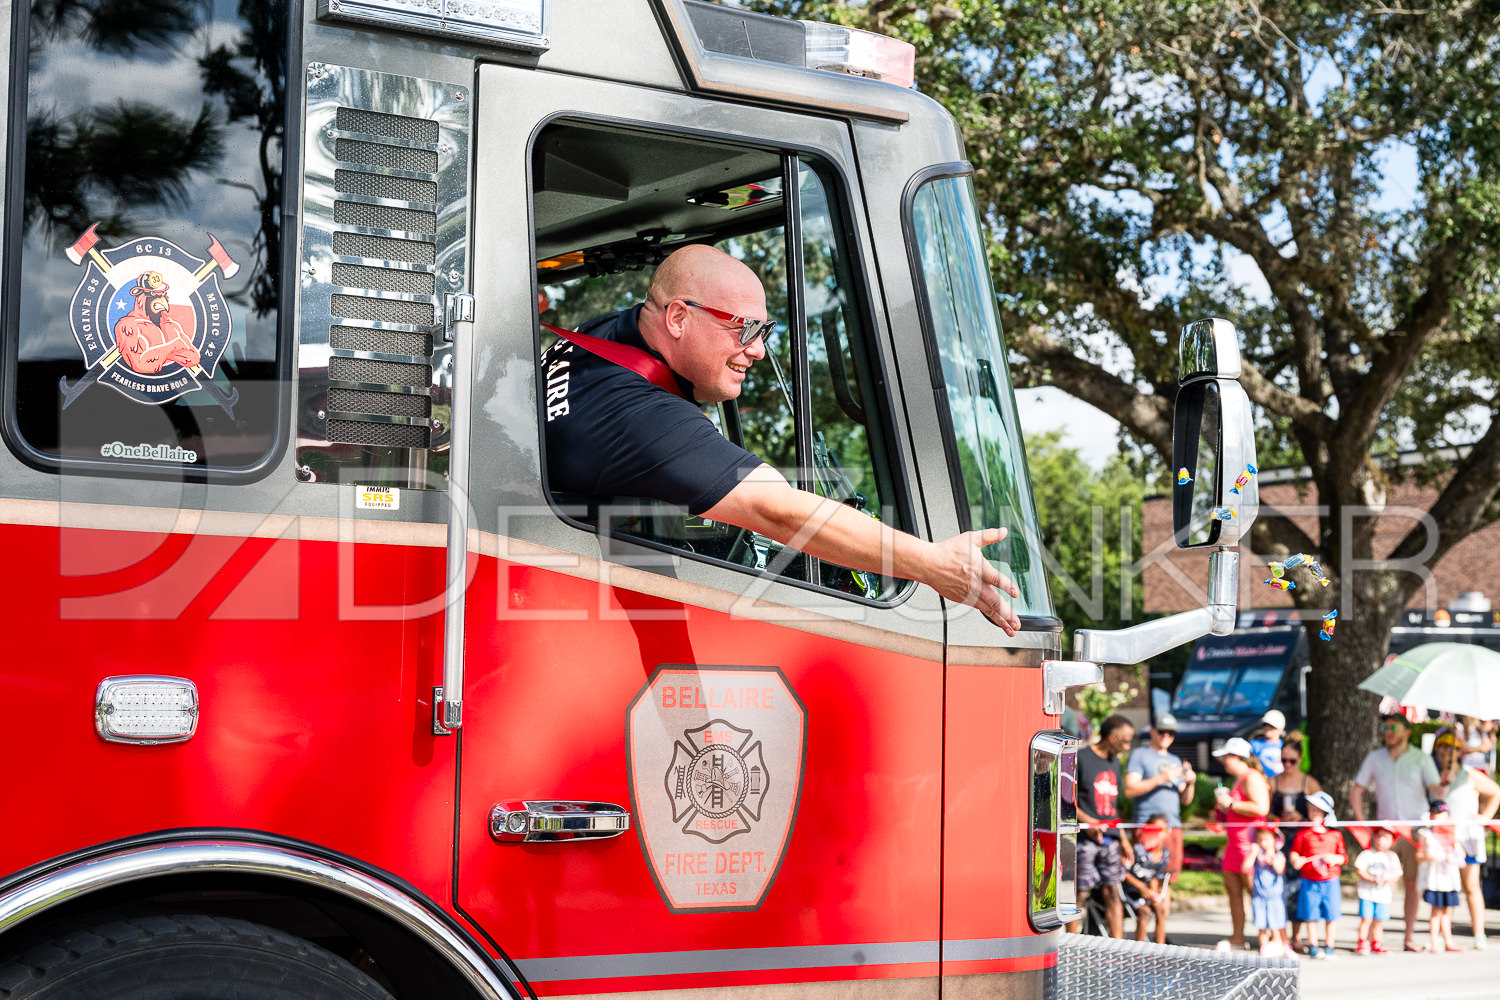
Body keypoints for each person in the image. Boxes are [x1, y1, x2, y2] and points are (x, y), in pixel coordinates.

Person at [540, 244, 1022, 631]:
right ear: (679, 318)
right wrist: (931, 564)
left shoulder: (606, 336)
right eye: (744, 328)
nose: (756, 350)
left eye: (764, 330)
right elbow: (779, 511)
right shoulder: (640, 418)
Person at [1350, 713, 1446, 951]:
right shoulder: (1375, 757)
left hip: (1414, 830)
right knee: (1379, 881)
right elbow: (1356, 789)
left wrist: (1444, 782)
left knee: (1412, 884)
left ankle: (1408, 936)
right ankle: (1370, 939)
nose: (1388, 732)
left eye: (1393, 727)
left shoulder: (1421, 758)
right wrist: (1363, 822)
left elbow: (1437, 792)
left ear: (1406, 731)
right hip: (1387, 831)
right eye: (1385, 728)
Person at [1066, 714, 1136, 938]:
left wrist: (1123, 839)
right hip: (1084, 840)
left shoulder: (1114, 763)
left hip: (1110, 839)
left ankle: (1118, 947)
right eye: (1126, 741)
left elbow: (1113, 807)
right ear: (1113, 738)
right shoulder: (1081, 758)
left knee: (1113, 892)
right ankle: (1072, 944)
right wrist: (1090, 822)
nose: (1127, 747)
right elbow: (1066, 800)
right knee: (1079, 893)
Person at [1432, 729, 1500, 949]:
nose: (1445, 752)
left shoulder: (1469, 774)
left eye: (1450, 747)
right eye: (1441, 747)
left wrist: (1485, 817)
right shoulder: (1435, 775)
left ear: (1459, 751)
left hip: (1468, 837)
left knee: (1471, 886)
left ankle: (1479, 934)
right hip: (1445, 840)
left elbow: (1496, 792)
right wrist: (1443, 783)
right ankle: (1443, 934)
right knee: (1447, 888)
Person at [1124, 713, 1197, 891]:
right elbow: (1129, 790)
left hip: (1172, 826)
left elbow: (1186, 800)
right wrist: (1160, 778)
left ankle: (1163, 910)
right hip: (1148, 826)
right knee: (1145, 880)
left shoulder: (1175, 760)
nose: (1166, 736)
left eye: (1171, 733)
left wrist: (1190, 783)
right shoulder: (1140, 754)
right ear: (1152, 731)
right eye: (1162, 731)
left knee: (1167, 881)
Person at [1211, 737, 1271, 950]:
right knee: (1233, 891)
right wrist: (1223, 810)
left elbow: (1261, 808)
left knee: (1257, 892)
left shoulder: (1252, 776)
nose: (1223, 762)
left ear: (1237, 757)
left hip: (1250, 845)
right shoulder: (1238, 779)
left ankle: (1270, 938)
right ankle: (1238, 937)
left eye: (1226, 757)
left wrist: (1231, 804)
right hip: (1234, 845)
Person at [1270, 731, 1322, 953]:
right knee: (1277, 886)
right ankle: (1278, 933)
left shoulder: (1308, 782)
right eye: (1283, 760)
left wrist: (1302, 818)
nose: (1287, 765)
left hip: (1301, 840)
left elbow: (1322, 811)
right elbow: (1264, 811)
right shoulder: (1273, 781)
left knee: (1299, 887)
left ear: (1299, 759)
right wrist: (1278, 818)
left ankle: (1297, 935)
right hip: (1280, 840)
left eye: (1291, 761)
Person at [1289, 790, 1347, 959]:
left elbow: (1343, 857)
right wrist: (1296, 860)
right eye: (1311, 809)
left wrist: (1334, 858)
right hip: (1310, 881)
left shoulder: (1335, 835)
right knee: (1310, 915)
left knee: (1332, 914)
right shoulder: (1304, 833)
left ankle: (1330, 945)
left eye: (1317, 810)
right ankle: (1313, 945)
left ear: (1325, 813)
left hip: (1330, 880)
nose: (1313, 813)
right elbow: (1295, 853)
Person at [1416, 800, 1465, 953]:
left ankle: (1448, 941)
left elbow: (1461, 854)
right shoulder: (1426, 834)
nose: (1437, 817)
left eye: (1441, 814)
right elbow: (1419, 855)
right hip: (1435, 879)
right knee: (1436, 911)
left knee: (1447, 911)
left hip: (1449, 879)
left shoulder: (1452, 834)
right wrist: (1431, 857)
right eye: (1434, 813)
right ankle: (1434, 942)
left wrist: (1455, 853)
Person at [1121, 815, 1172, 943]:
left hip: (1148, 891)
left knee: (1160, 909)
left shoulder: (1165, 854)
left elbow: (1156, 877)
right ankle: (1140, 949)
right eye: (1154, 830)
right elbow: (1124, 873)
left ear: (1167, 833)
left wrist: (1153, 893)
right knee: (1145, 912)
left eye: (1161, 830)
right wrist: (1142, 887)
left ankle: (1160, 946)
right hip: (1131, 891)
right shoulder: (1138, 850)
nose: (1158, 834)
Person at [1353, 826, 1401, 955]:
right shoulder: (1367, 854)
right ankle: (1362, 942)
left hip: (1383, 895)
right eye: (1378, 836)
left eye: (1385, 837)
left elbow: (1397, 874)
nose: (1381, 840)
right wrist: (1371, 879)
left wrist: (1388, 879)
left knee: (1379, 921)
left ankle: (1376, 943)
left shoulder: (1392, 857)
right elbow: (1359, 869)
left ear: (1392, 841)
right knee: (1366, 919)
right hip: (1367, 894)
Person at [1244, 825, 1289, 956]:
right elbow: (1245, 868)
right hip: (1259, 896)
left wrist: (1272, 857)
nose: (1263, 843)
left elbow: (1280, 870)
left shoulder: (1279, 855)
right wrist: (1253, 853)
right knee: (1261, 925)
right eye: (1260, 840)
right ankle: (1263, 947)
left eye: (1266, 840)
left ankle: (1284, 946)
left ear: (1275, 840)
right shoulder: (1257, 856)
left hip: (1275, 897)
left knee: (1278, 923)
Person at [1251, 710, 1287, 776]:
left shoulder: (1285, 746)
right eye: (1265, 724)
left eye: (1272, 726)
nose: (1268, 728)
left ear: (1280, 730)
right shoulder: (1255, 744)